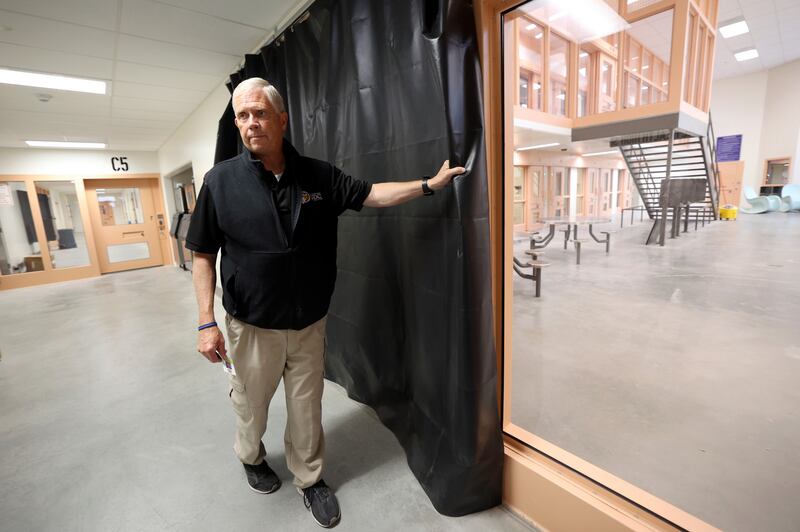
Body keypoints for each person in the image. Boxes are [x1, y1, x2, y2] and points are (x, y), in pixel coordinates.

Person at [185, 77, 464, 529]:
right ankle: (251, 456)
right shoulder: (220, 182)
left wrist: (429, 185)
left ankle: (310, 478)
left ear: (281, 119)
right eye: (241, 116)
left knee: (306, 406)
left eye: (258, 113)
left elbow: (372, 193)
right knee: (251, 405)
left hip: (308, 323)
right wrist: (205, 322)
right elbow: (202, 253)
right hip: (251, 325)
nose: (250, 123)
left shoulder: (319, 176)